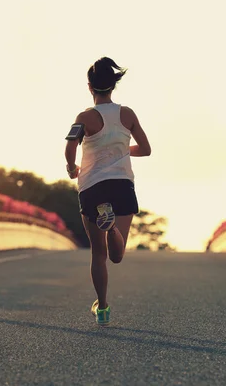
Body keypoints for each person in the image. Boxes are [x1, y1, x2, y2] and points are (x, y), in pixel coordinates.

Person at [64, 57, 151, 326]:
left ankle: (102, 307)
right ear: (113, 86)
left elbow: (70, 146)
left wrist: (71, 166)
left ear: (90, 87)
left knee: (98, 255)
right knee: (117, 255)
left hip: (92, 185)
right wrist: (123, 150)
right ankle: (111, 227)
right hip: (122, 184)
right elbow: (146, 149)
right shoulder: (128, 114)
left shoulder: (84, 117)